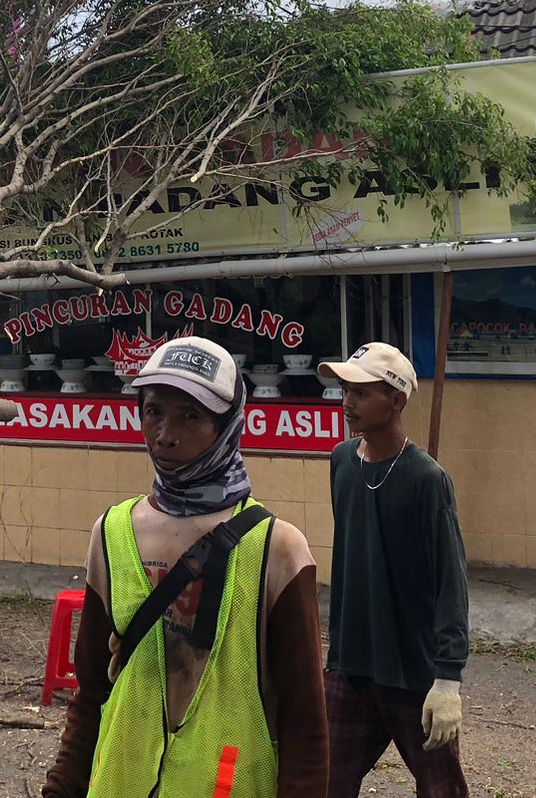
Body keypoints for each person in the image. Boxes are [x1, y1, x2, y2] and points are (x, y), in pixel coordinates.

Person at [44, 335, 326, 798]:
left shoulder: (277, 549)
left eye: (190, 416)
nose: (165, 433)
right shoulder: (112, 533)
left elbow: (305, 726)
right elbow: (91, 692)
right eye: (154, 411)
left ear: (229, 425)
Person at [318, 342, 469, 798]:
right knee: (322, 781)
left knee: (441, 789)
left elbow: (451, 580)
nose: (347, 403)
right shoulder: (342, 461)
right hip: (350, 664)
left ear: (397, 400)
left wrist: (448, 678)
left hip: (412, 672)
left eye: (362, 393)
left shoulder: (427, 479)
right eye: (345, 391)